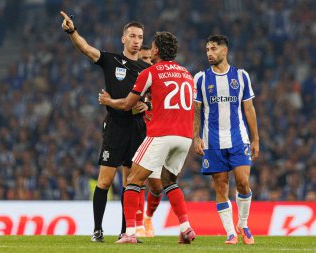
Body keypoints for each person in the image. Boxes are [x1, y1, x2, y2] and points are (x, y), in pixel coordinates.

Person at [60, 11, 151, 242]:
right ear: (123, 39)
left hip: (137, 128)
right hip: (115, 126)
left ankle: (126, 231)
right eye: (132, 36)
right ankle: (97, 229)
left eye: (140, 37)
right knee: (105, 180)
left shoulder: (146, 69)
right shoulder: (111, 60)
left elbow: (154, 98)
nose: (136, 40)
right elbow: (86, 49)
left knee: (132, 183)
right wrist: (72, 31)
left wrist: (147, 105)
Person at [99, 31, 196, 244]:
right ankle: (186, 227)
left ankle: (130, 233)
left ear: (157, 50)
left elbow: (127, 104)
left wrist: (108, 101)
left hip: (161, 134)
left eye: (152, 47)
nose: (149, 50)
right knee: (169, 181)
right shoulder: (187, 74)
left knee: (133, 180)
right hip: (185, 136)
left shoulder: (151, 72)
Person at [193, 35, 259, 245]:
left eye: (213, 49)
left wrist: (255, 139)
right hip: (212, 141)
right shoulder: (201, 78)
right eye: (207, 50)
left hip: (239, 138)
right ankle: (231, 233)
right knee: (221, 186)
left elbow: (248, 108)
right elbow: (196, 111)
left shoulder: (241, 76)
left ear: (225, 50)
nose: (209, 53)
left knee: (243, 182)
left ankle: (244, 224)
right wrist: (196, 137)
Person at [135, 45, 163, 238]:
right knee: (136, 180)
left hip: (157, 136)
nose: (146, 61)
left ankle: (148, 217)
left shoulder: (158, 80)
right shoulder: (135, 80)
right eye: (142, 58)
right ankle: (136, 224)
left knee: (157, 186)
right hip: (136, 135)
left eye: (148, 58)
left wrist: (150, 105)